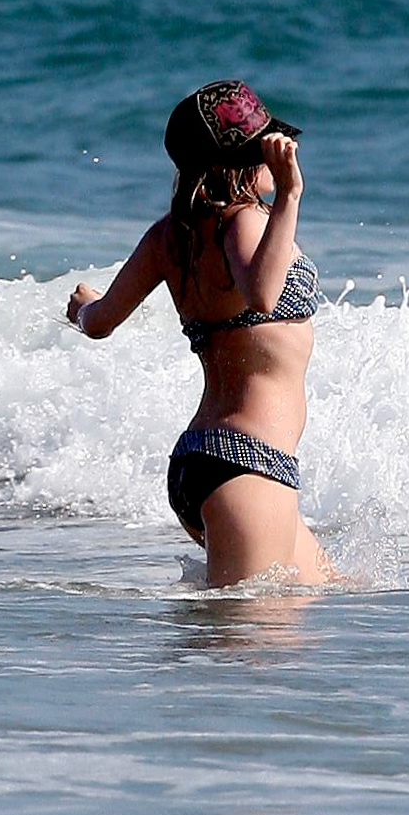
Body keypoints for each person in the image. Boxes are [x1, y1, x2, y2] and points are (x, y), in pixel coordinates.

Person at [66, 79, 333, 587]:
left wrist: (82, 310)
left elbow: (99, 323)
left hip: (205, 460)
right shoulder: (246, 222)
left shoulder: (169, 236)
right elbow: (263, 294)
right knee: (255, 633)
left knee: (335, 592)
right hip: (249, 466)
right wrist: (290, 194)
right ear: (244, 162)